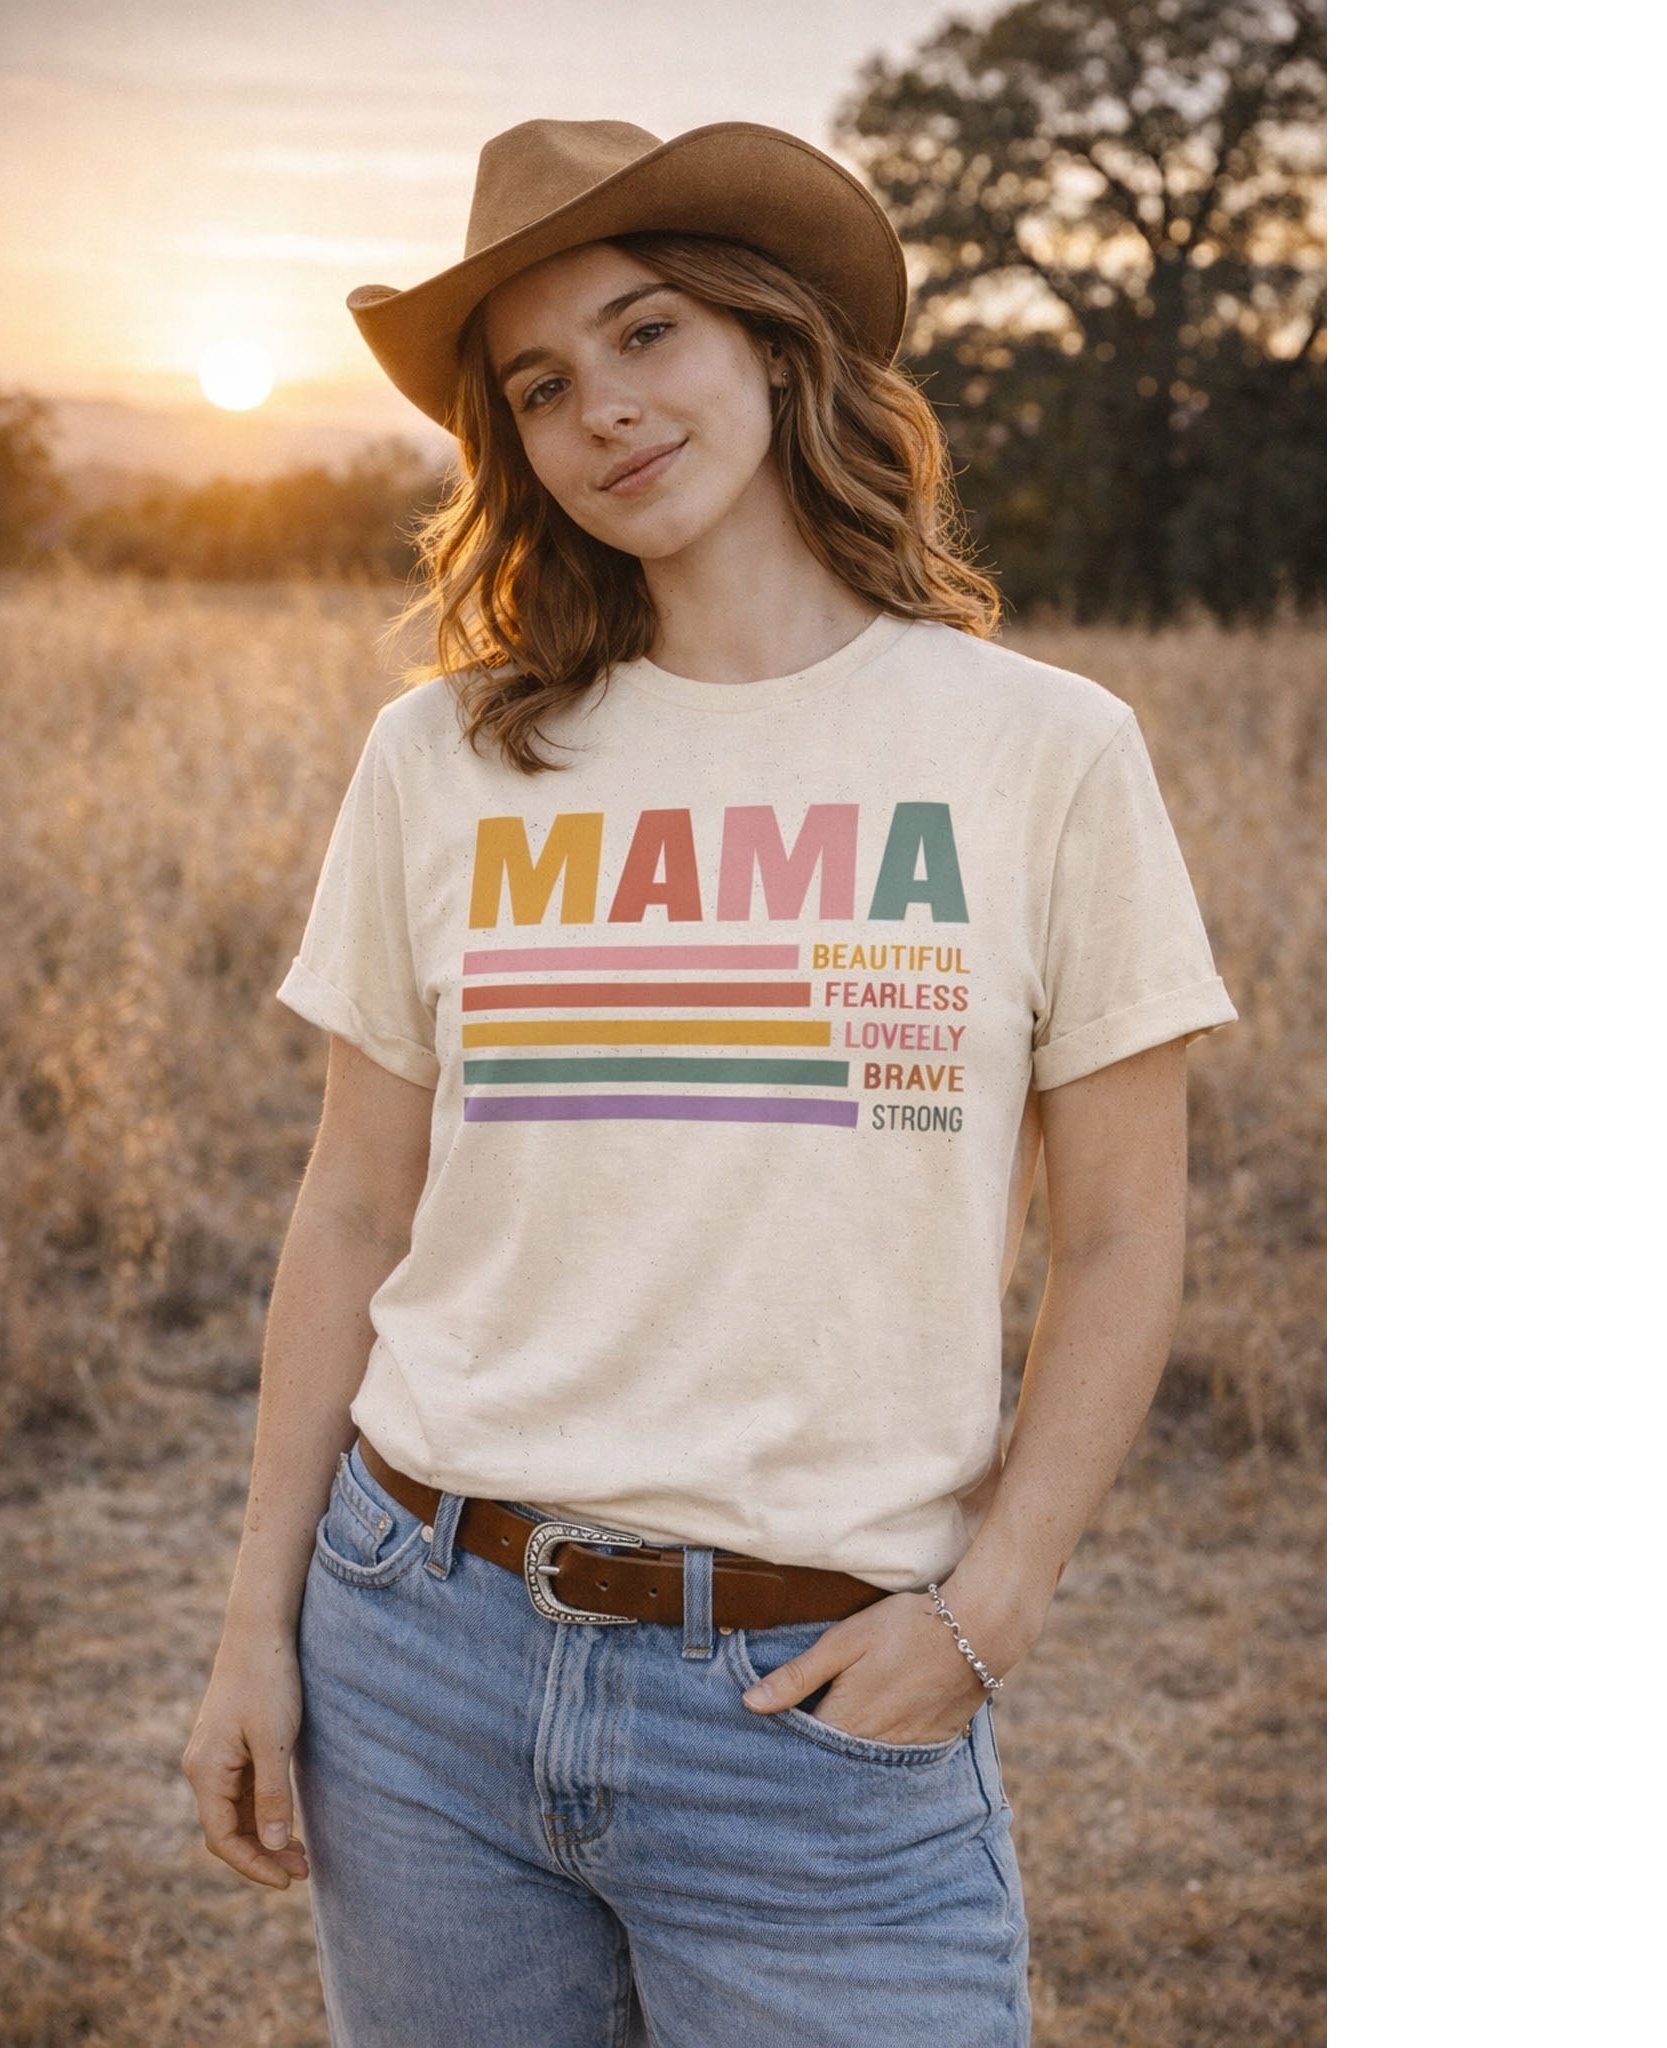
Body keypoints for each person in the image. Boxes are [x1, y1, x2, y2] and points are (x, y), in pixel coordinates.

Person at [183, 118, 1237, 2047]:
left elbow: (1121, 1237)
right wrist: (259, 1624)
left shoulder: (1044, 754)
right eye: (542, 384)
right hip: (421, 1651)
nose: (605, 409)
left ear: (768, 342)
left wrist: (982, 1620)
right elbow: (348, 1207)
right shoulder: (444, 761)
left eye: (646, 330)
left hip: (812, 1707)